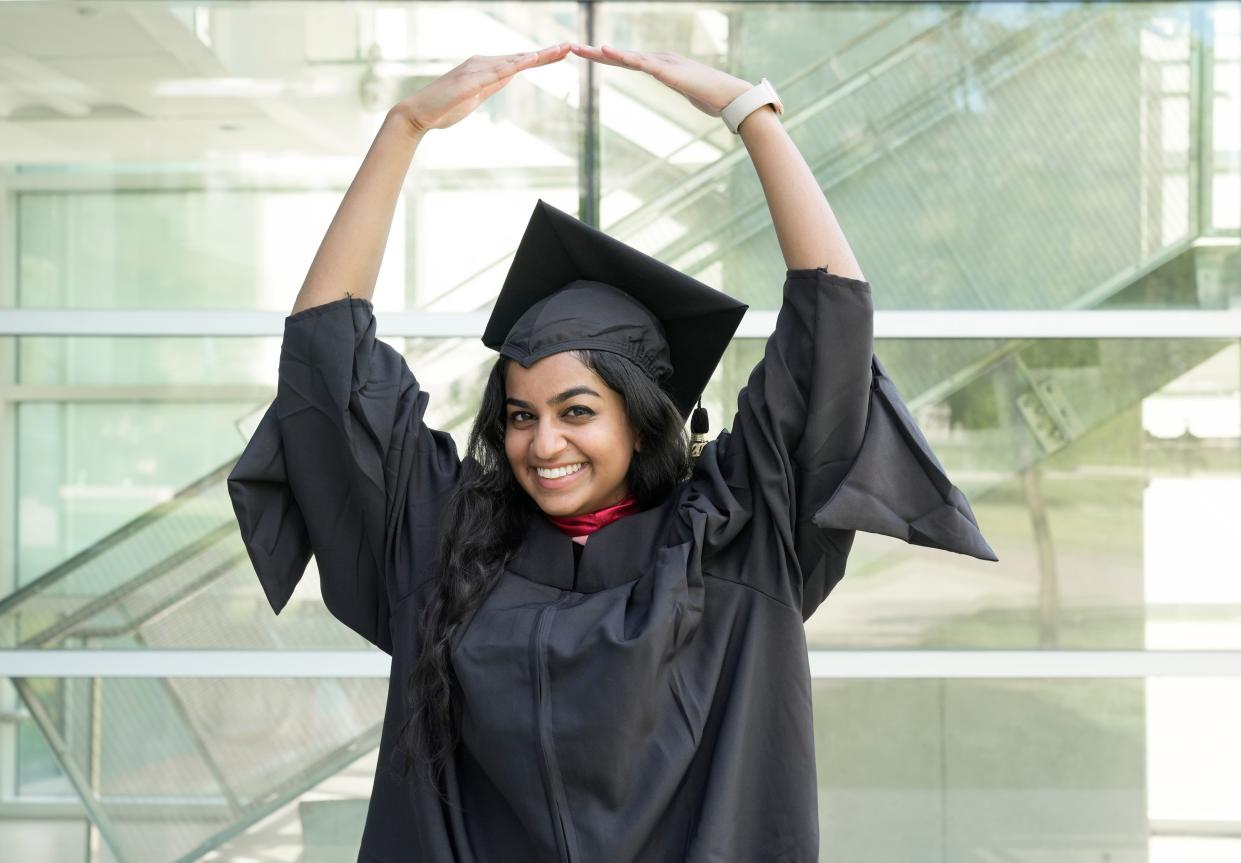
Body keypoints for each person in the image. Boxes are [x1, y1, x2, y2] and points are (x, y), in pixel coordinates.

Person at [227, 40, 998, 863]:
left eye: (577, 411)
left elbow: (831, 325)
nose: (542, 441)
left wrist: (753, 117)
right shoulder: (446, 545)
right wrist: (403, 128)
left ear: (640, 418)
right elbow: (327, 357)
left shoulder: (731, 539)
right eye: (519, 415)